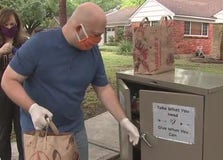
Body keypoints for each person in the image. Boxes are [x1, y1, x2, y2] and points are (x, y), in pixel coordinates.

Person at [1, 2, 139, 160]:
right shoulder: (39, 45)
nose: (99, 40)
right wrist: (32, 108)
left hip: (75, 130)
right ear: (79, 29)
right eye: (96, 35)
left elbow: (103, 88)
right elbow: (8, 80)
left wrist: (124, 120)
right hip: (40, 133)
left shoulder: (92, 51)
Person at [0, 8, 27, 160]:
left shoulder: (23, 43)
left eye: (12, 24)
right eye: (6, 24)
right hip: (1, 95)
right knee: (3, 132)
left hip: (20, 93)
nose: (9, 27)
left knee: (22, 129)